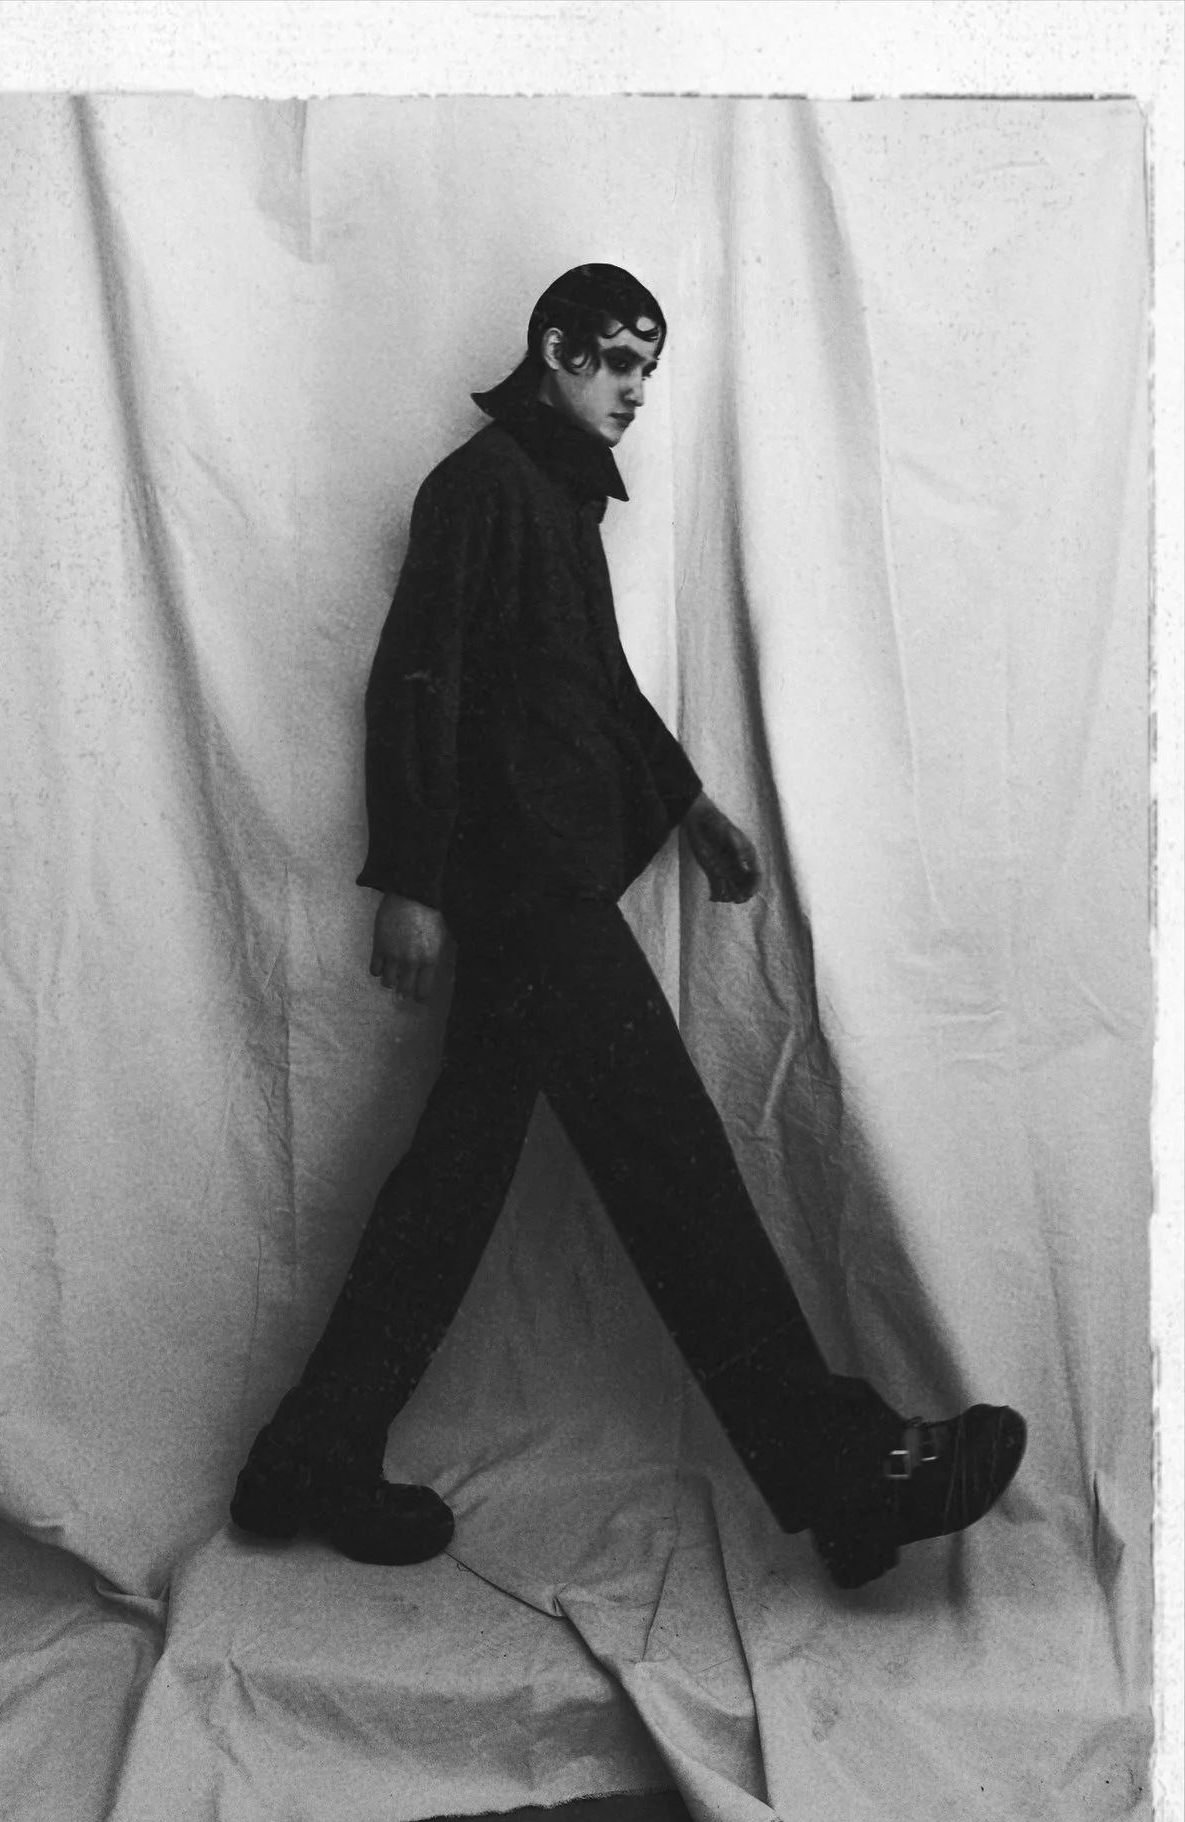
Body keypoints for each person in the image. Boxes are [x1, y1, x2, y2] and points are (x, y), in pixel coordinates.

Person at [230, 263, 1025, 1593]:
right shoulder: (478, 490)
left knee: (453, 1182)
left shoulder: (555, 497)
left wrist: (691, 804)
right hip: (524, 897)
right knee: (673, 1162)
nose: (636, 390)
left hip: (548, 886)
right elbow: (415, 682)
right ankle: (846, 1473)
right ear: (554, 350)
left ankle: (306, 1456)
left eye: (648, 368)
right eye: (616, 361)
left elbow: (592, 685)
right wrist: (413, 880)